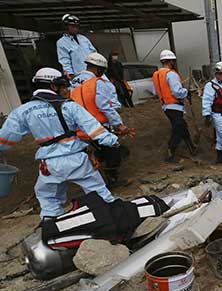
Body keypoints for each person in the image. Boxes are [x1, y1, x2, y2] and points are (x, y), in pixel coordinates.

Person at [0, 68, 119, 220]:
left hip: (49, 164)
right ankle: (114, 218)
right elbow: (94, 128)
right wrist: (112, 141)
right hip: (77, 160)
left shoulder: (22, 111)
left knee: (49, 200)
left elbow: (5, 139)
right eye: (63, 86)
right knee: (99, 193)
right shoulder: (69, 105)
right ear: (53, 86)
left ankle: (53, 230)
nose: (65, 90)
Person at [70, 53, 133, 186]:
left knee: (99, 152)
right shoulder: (96, 83)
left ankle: (96, 171)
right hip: (97, 126)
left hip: (80, 127)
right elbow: (105, 106)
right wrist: (118, 125)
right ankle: (111, 181)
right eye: (102, 70)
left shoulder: (73, 83)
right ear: (97, 68)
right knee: (114, 152)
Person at [152, 49, 196, 163]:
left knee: (182, 126)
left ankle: (192, 147)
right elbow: (177, 92)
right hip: (175, 106)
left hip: (166, 107)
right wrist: (186, 92)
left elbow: (155, 92)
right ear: (170, 61)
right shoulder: (171, 74)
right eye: (173, 61)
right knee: (177, 130)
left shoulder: (156, 75)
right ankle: (170, 153)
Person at [202, 61, 222, 164]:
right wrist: (207, 115)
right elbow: (207, 100)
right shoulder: (210, 86)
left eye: (221, 74)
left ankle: (219, 157)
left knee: (221, 137)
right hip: (217, 115)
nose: (219, 76)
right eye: (217, 74)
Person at [56, 14, 97, 80]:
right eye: (72, 26)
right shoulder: (61, 42)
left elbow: (94, 53)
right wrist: (70, 74)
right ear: (66, 26)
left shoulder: (83, 39)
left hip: (93, 72)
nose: (75, 28)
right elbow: (64, 60)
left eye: (76, 26)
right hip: (78, 75)